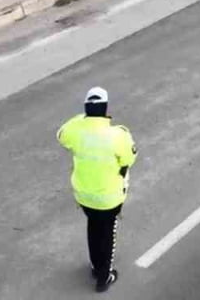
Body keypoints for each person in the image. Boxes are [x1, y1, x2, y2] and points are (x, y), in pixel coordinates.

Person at [58, 86, 137, 293]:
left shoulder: (76, 132)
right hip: (109, 198)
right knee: (107, 234)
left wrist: (83, 116)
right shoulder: (118, 135)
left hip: (85, 197)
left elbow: (61, 134)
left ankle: (95, 267)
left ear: (86, 108)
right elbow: (129, 158)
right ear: (106, 108)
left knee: (93, 229)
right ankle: (104, 276)